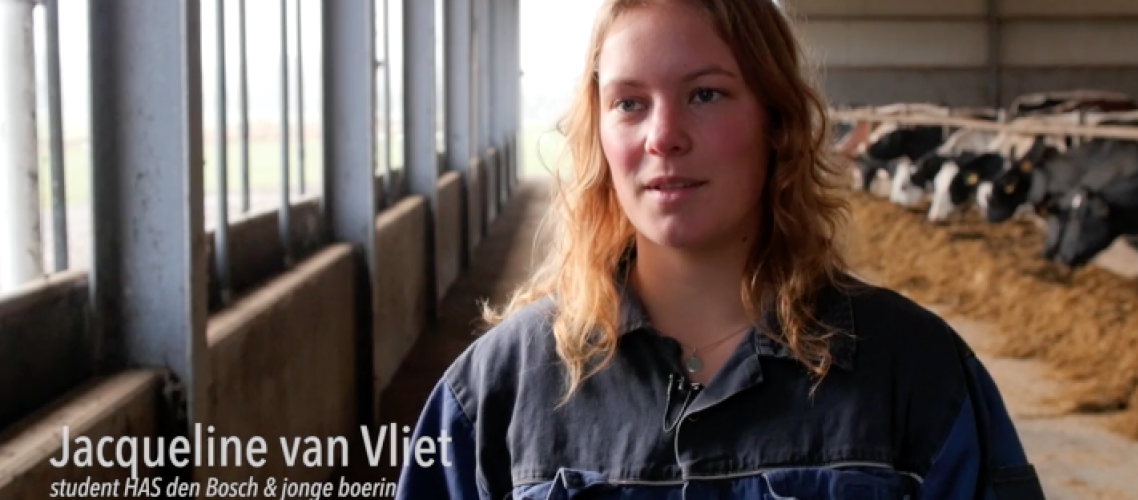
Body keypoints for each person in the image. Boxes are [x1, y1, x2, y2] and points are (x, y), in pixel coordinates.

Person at [396, 0, 1045, 498]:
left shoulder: (917, 373)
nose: (664, 136)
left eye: (706, 94)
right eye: (629, 103)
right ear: (598, 133)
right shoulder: (494, 394)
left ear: (777, 121)